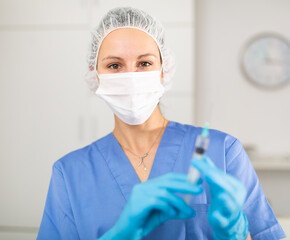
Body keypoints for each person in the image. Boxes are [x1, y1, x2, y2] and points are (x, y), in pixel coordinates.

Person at [37, 7, 286, 240]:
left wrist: (235, 233)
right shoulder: (70, 173)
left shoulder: (223, 151)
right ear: (95, 75)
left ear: (164, 70)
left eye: (144, 63)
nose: (131, 77)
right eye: (114, 65)